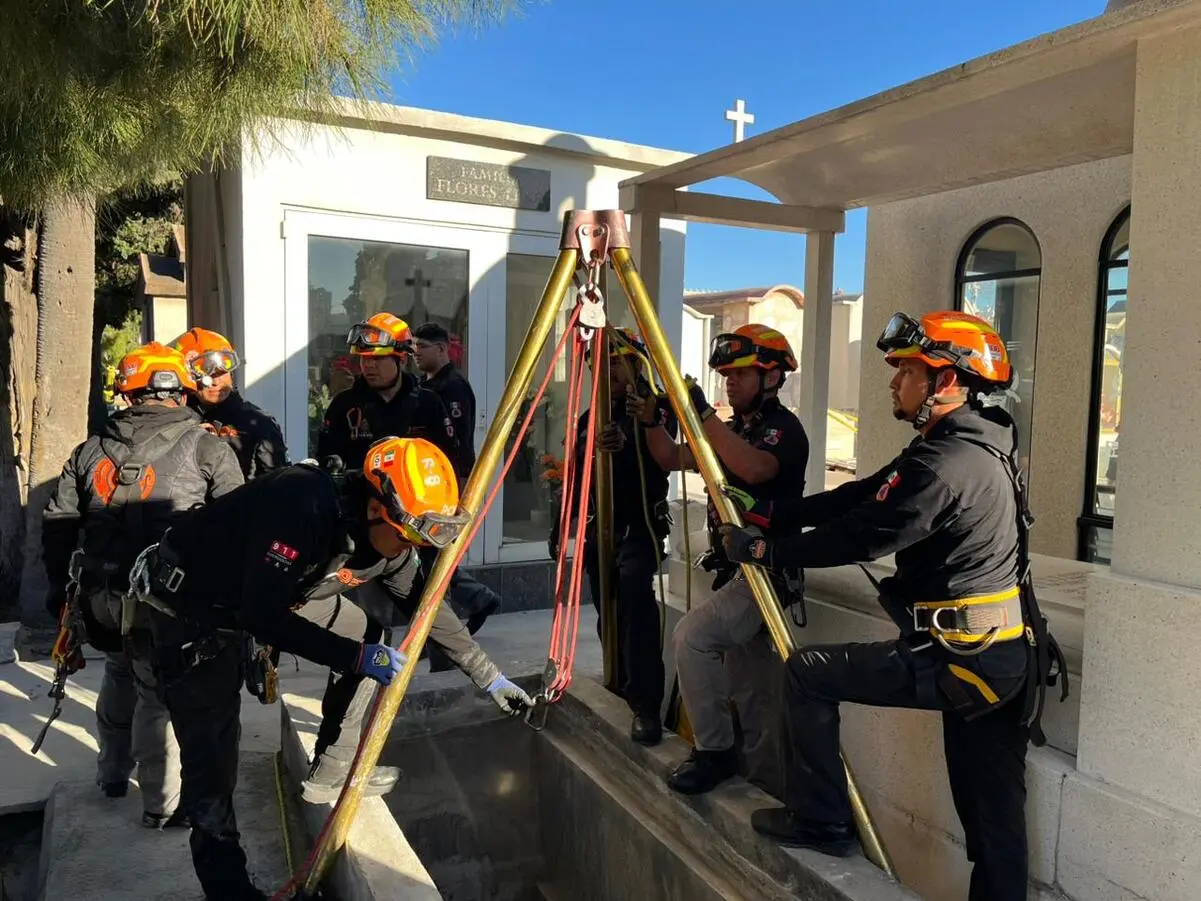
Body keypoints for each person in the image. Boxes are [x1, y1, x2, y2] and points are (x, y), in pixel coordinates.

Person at [718, 311, 1067, 901]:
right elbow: (861, 496)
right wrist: (773, 515)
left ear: (945, 382)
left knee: (807, 674)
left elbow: (861, 536)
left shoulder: (945, 465)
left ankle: (822, 821)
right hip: (1002, 657)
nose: (893, 382)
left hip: (964, 658)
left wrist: (761, 549)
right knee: (994, 823)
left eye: (906, 370)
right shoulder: (968, 444)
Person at [128, 437, 532, 901]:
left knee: (369, 636)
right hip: (192, 610)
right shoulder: (300, 506)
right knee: (214, 764)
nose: (409, 549)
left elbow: (426, 607)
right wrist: (354, 658)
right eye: (408, 537)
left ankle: (332, 768)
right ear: (377, 509)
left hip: (275, 596)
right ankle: (229, 891)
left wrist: (489, 676)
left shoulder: (392, 540)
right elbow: (263, 616)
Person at [41, 342, 244, 829]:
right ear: (182, 391)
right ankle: (162, 804)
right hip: (168, 602)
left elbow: (58, 526)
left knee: (118, 671)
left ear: (127, 394)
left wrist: (58, 592)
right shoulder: (208, 447)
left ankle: (111, 774)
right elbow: (240, 525)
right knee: (157, 692)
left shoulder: (89, 450)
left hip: (101, 597)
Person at [639, 324, 809, 796]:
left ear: (771, 377)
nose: (730, 382)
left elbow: (754, 468)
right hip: (737, 573)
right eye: (726, 375)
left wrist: (703, 416)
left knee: (693, 638)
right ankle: (761, 784)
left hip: (766, 573)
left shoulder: (783, 430)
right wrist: (653, 418)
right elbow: (669, 457)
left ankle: (715, 753)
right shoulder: (734, 429)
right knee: (751, 691)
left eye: (741, 374)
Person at [552, 327, 676, 745]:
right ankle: (618, 683)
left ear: (636, 366)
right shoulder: (589, 419)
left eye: (617, 362)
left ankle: (645, 704)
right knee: (608, 608)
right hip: (599, 529)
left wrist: (626, 443)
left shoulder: (654, 410)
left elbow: (664, 458)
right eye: (600, 364)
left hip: (639, 527)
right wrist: (561, 526)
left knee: (635, 600)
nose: (608, 371)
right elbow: (575, 475)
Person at [411, 321, 501, 646]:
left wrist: (457, 487)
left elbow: (457, 442)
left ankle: (444, 636)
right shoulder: (424, 386)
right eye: (414, 346)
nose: (416, 353)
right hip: (426, 481)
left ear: (441, 349)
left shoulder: (453, 388)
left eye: (422, 347)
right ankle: (476, 599)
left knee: (435, 556)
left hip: (447, 482)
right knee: (428, 555)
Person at [316, 312, 457, 469]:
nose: (368, 365)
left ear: (402, 359)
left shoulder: (428, 404)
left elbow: (450, 461)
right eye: (364, 358)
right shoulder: (344, 405)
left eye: (378, 358)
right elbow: (325, 463)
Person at [169, 327, 289, 480]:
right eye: (206, 375)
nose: (216, 382)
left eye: (222, 373)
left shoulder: (258, 423)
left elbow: (279, 483)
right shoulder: (175, 420)